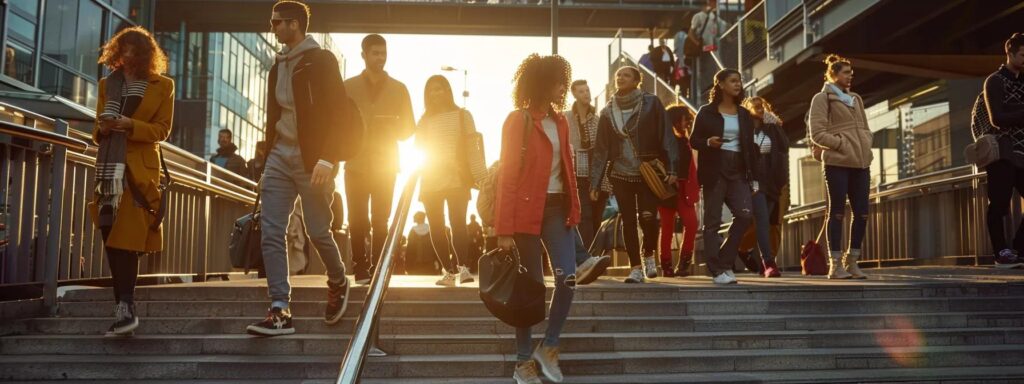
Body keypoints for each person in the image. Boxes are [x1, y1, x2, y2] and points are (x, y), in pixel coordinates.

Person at [247, 1, 353, 336]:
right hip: (280, 157)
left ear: (294, 24)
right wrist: (266, 163)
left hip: (314, 160)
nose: (273, 28)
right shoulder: (276, 67)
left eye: (277, 22)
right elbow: (273, 118)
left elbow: (340, 113)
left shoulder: (321, 60)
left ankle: (338, 280)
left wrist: (328, 157)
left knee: (318, 231)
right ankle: (280, 308)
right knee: (271, 231)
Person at [495, 54, 580, 384]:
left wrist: (575, 210)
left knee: (568, 278)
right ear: (542, 83)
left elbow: (568, 170)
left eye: (564, 80)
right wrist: (503, 228)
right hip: (526, 214)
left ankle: (549, 346)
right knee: (530, 289)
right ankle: (522, 363)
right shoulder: (519, 120)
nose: (562, 87)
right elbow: (507, 176)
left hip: (558, 209)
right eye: (558, 81)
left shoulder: (561, 122)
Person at [89, 26, 173, 336]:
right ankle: (123, 307)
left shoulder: (162, 85)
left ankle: (125, 307)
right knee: (110, 235)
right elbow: (96, 131)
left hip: (138, 170)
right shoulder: (106, 84)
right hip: (108, 168)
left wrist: (130, 124)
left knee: (127, 238)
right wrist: (103, 129)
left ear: (145, 55)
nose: (126, 57)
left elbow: (162, 130)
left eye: (133, 52)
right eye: (122, 51)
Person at [590, 66, 679, 284]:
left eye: (626, 75)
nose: (620, 78)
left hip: (647, 171)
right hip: (620, 173)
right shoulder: (607, 111)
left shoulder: (651, 103)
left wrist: (672, 167)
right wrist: (595, 182)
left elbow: (666, 135)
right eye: (618, 75)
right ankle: (636, 268)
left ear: (637, 80)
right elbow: (601, 149)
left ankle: (648, 253)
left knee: (648, 218)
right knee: (628, 221)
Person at [344, 34, 416, 285]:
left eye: (383, 53)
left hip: (385, 164)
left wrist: (390, 127)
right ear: (363, 55)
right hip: (354, 162)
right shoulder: (347, 86)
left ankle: (378, 268)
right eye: (375, 53)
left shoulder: (399, 89)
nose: (380, 58)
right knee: (356, 218)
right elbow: (337, 123)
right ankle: (359, 266)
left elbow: (409, 129)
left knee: (380, 219)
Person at [807, 54, 874, 280]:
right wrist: (841, 145)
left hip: (861, 163)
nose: (850, 76)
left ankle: (852, 261)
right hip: (837, 163)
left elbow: (865, 128)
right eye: (846, 72)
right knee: (836, 212)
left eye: (851, 73)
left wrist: (866, 144)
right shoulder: (821, 98)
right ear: (833, 74)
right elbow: (817, 133)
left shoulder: (856, 98)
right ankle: (835, 265)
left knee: (862, 213)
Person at [691, 68, 757, 285]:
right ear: (720, 84)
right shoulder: (706, 112)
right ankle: (717, 270)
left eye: (739, 81)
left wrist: (754, 176)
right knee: (712, 222)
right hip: (715, 169)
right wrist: (708, 142)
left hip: (738, 169)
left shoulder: (744, 114)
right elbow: (694, 141)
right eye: (733, 81)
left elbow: (749, 147)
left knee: (745, 216)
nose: (738, 84)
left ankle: (724, 262)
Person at [416, 74, 476, 286]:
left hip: (457, 178)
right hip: (431, 178)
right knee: (436, 226)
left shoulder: (462, 115)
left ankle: (464, 268)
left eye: (439, 88)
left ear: (448, 90)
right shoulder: (424, 121)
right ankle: (448, 273)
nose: (435, 93)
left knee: (458, 223)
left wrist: (477, 173)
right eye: (431, 90)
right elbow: (418, 148)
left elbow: (473, 145)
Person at [981, 33, 1024, 269]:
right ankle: (1001, 253)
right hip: (1002, 152)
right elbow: (996, 118)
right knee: (999, 204)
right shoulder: (995, 81)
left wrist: (1015, 111)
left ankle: (1019, 249)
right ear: (1010, 53)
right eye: (1023, 54)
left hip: (1023, 154)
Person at [565, 79, 612, 283]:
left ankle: (593, 261)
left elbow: (603, 148)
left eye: (587, 90)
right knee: (583, 217)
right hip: (577, 175)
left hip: (598, 174)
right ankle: (587, 261)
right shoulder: (566, 118)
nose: (586, 94)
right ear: (574, 94)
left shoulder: (598, 118)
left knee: (596, 219)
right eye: (581, 91)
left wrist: (599, 178)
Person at [740, 96, 789, 278]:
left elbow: (784, 146)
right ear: (748, 108)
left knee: (767, 222)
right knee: (762, 220)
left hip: (772, 183)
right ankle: (769, 262)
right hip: (753, 182)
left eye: (762, 106)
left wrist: (776, 125)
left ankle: (757, 259)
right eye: (756, 106)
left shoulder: (770, 128)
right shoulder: (743, 127)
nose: (760, 109)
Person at [657, 105, 699, 277]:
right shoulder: (663, 141)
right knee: (667, 228)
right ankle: (666, 265)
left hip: (684, 189)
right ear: (675, 120)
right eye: (684, 118)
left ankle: (683, 264)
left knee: (692, 224)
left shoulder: (686, 139)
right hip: (668, 188)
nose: (687, 121)